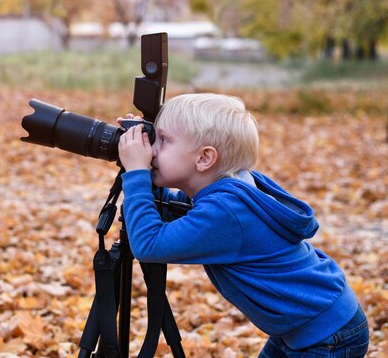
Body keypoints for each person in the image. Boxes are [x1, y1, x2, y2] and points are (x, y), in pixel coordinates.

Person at [117, 93, 369, 357]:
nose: (153, 150)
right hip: (315, 321)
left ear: (204, 158)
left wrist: (136, 173)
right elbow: (176, 212)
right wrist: (137, 145)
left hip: (327, 336)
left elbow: (148, 244)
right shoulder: (232, 189)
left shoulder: (226, 211)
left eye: (164, 140)